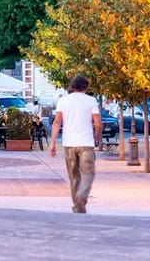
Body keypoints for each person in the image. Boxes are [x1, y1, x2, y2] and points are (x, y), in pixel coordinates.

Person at [49, 75, 102, 214]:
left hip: (69, 144)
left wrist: (53, 143)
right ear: (86, 86)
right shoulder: (91, 101)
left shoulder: (63, 101)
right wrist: (97, 137)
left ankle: (77, 204)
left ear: (72, 86)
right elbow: (97, 124)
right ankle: (81, 198)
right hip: (86, 143)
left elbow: (57, 123)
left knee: (74, 176)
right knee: (88, 173)